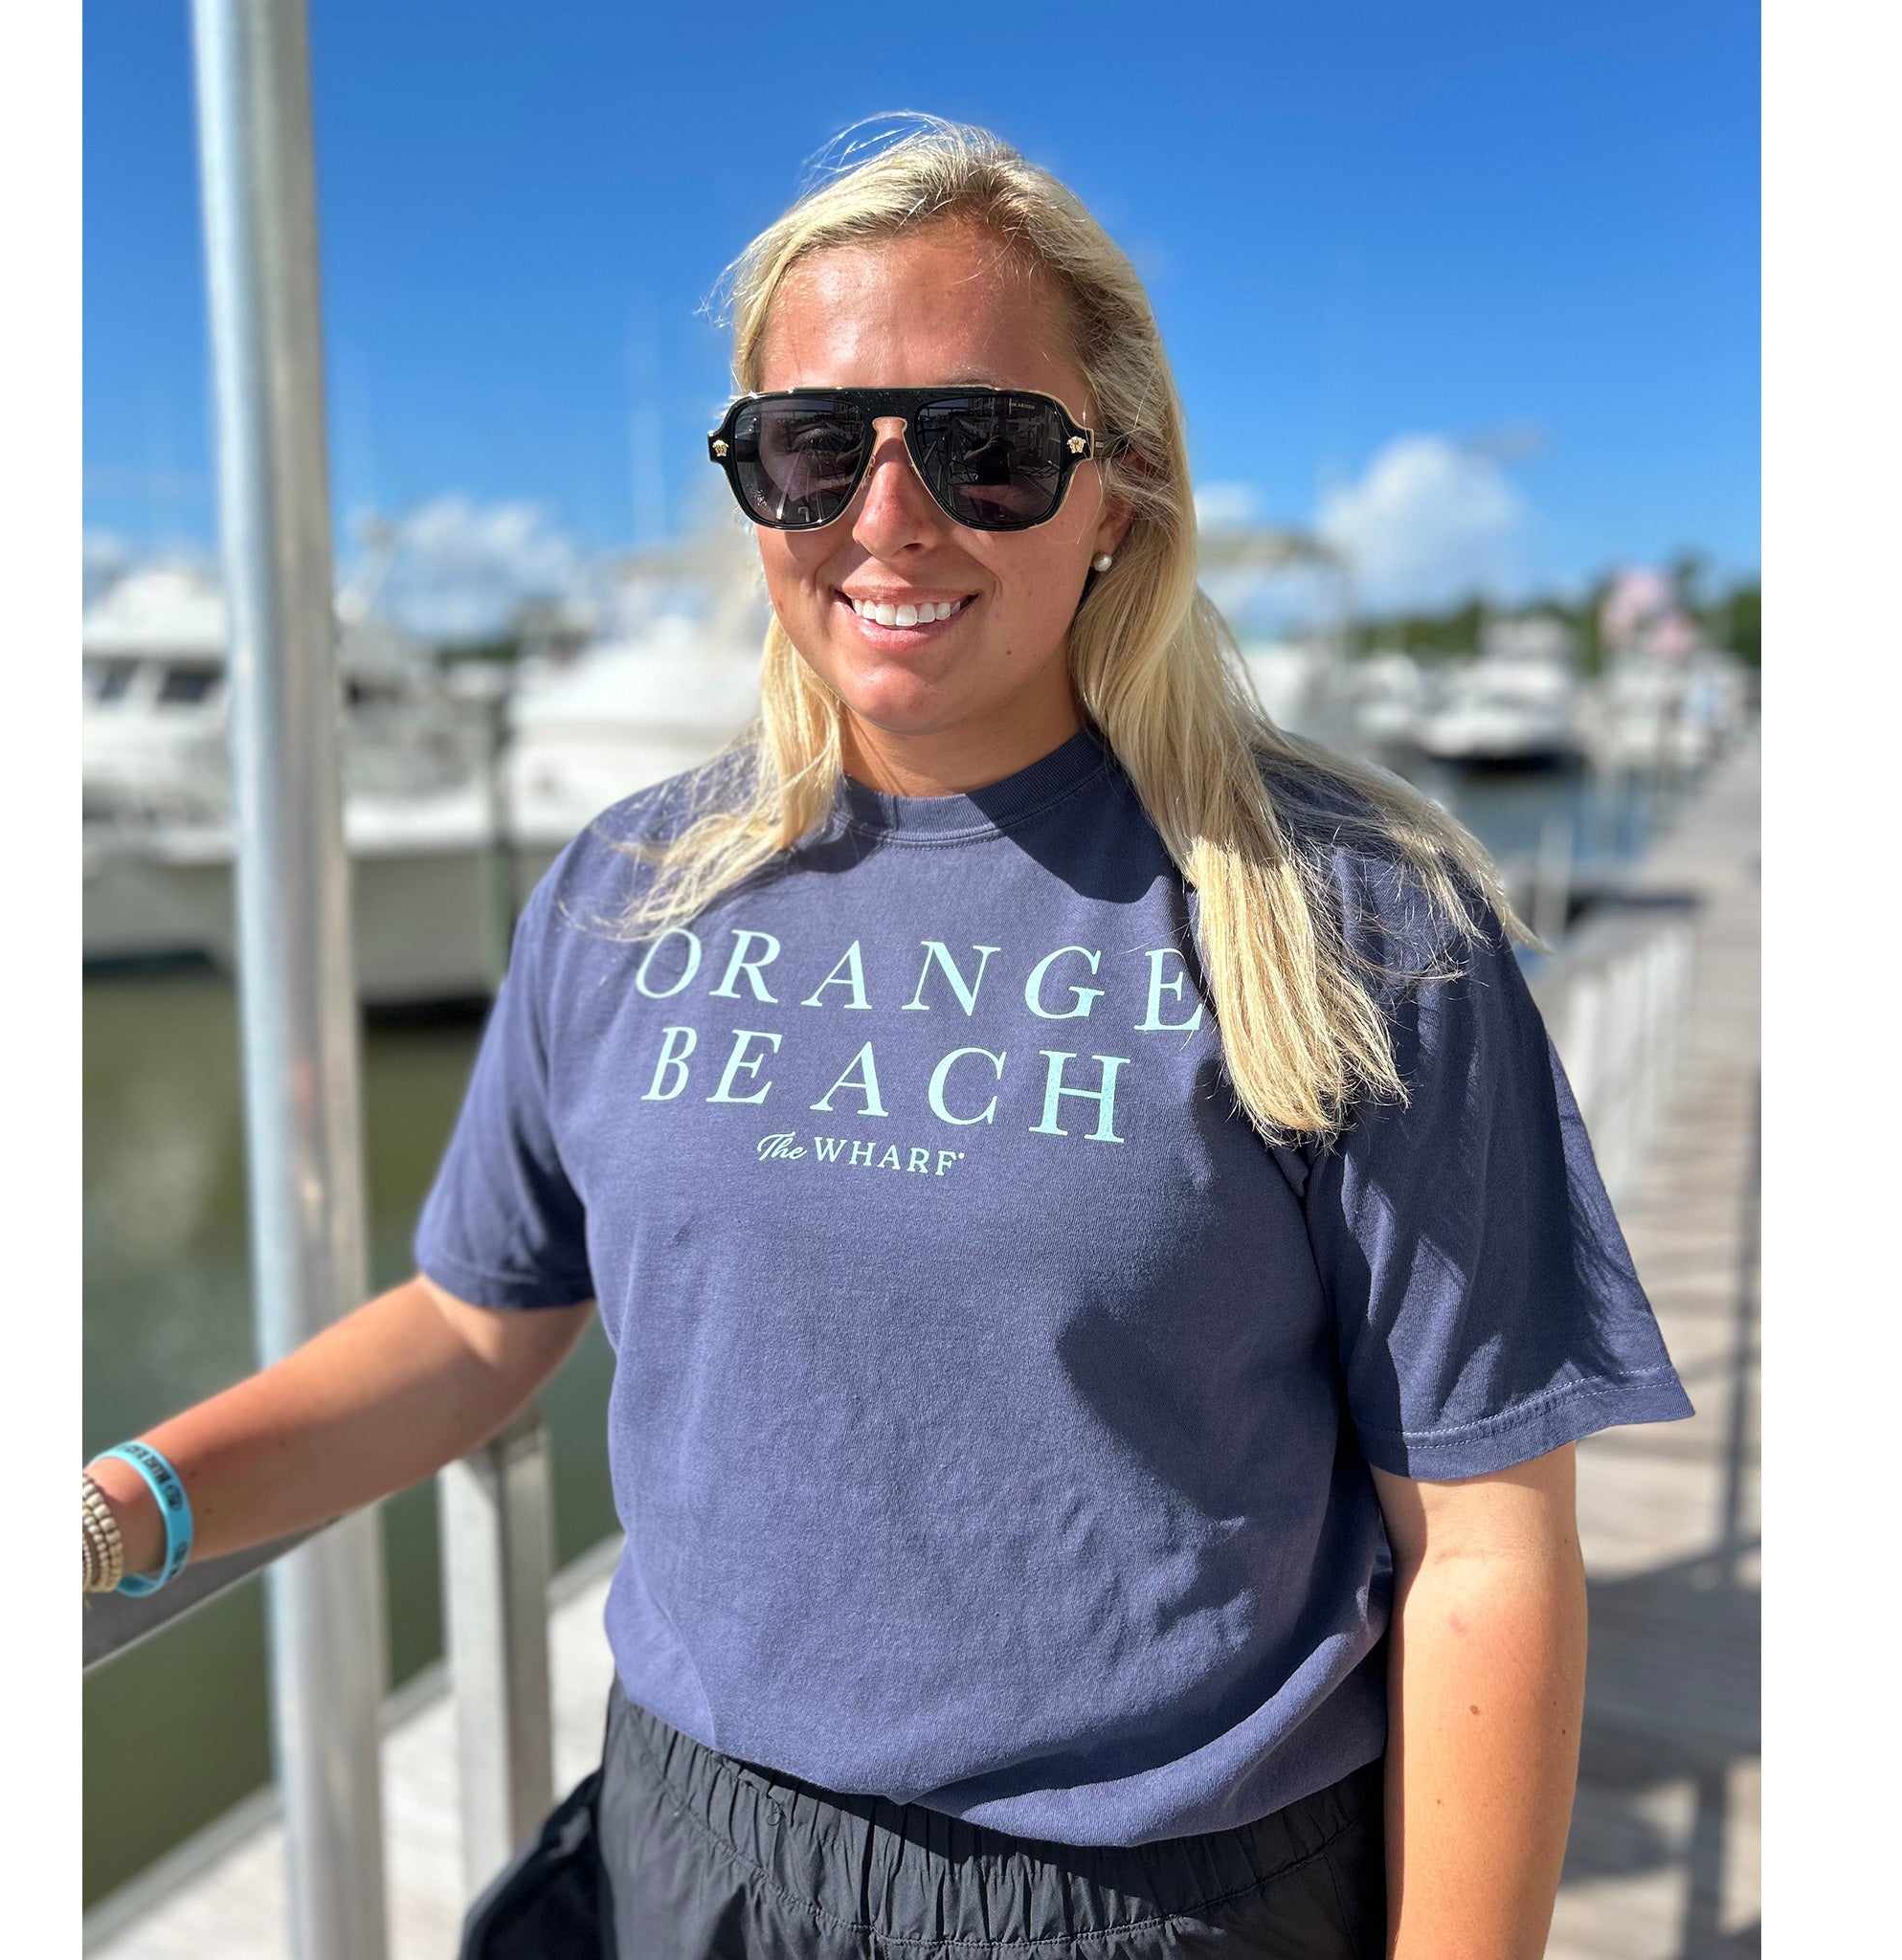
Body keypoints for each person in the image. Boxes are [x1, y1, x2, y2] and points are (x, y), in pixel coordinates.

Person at [82, 119, 1691, 1959]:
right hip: (694, 1859)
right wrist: (124, 1506)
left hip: (1158, 1899)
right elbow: (471, 1323)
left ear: (1121, 494)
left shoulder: (1354, 918)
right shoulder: (629, 889)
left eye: (987, 449)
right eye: (814, 447)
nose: (889, 514)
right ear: (755, 488)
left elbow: (1485, 1549)